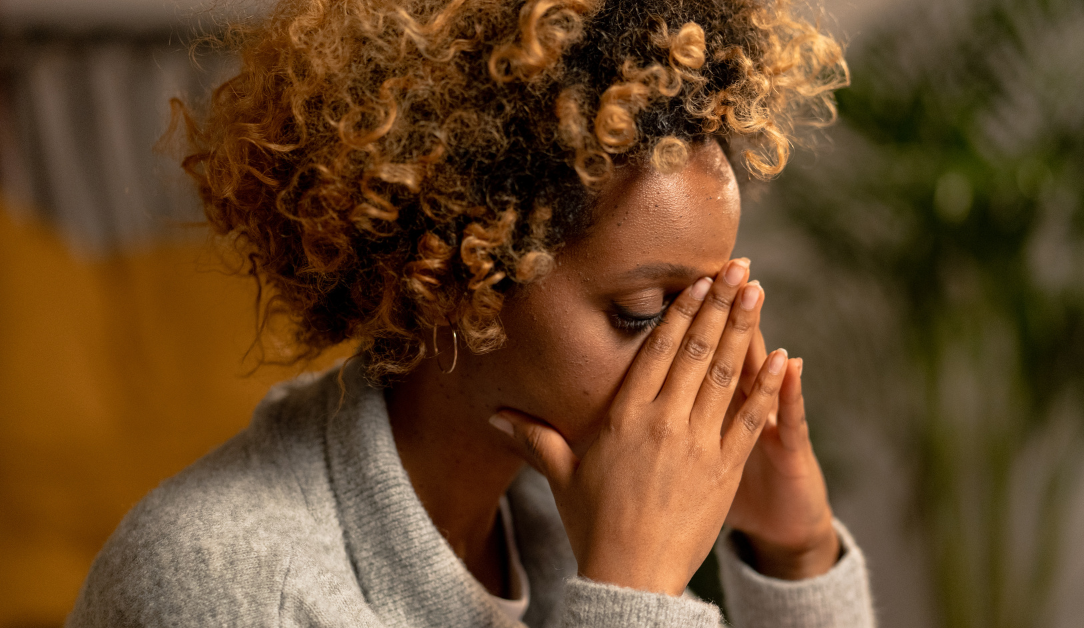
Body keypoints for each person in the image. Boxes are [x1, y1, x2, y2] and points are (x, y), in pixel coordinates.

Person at [68, 0, 873, 625]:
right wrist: (634, 595)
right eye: (638, 311)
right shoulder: (224, 588)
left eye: (710, 299)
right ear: (458, 275)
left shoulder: (558, 513)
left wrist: (793, 553)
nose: (700, 356)